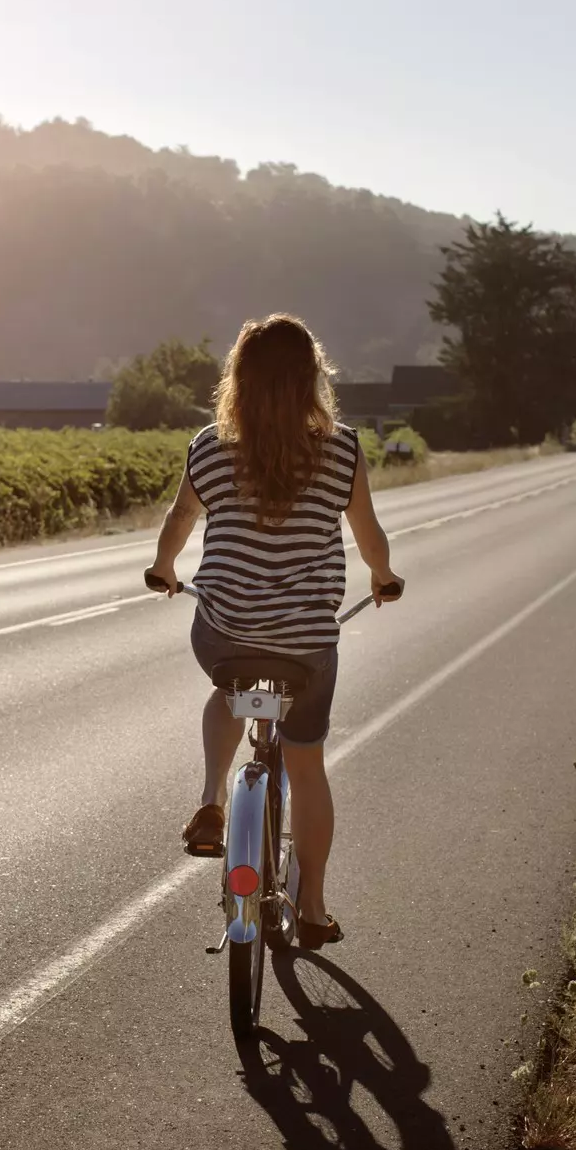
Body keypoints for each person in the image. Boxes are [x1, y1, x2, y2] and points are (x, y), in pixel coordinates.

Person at [144, 315, 401, 949]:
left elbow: (181, 517)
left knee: (228, 689)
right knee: (307, 767)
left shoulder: (210, 445)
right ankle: (312, 907)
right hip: (306, 644)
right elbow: (367, 534)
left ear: (239, 380)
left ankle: (211, 798)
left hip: (227, 630)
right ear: (313, 380)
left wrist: (163, 567)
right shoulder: (341, 448)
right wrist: (383, 576)